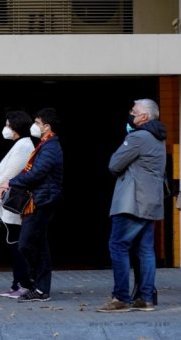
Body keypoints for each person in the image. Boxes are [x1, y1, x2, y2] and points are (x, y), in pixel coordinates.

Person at [97, 99, 166, 313]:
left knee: (118, 246)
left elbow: (114, 164)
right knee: (145, 250)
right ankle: (146, 298)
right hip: (151, 201)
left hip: (132, 202)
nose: (131, 115)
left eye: (134, 112)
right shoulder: (158, 138)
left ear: (144, 117)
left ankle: (121, 298)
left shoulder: (138, 137)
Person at [0, 107, 63, 303]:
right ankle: (40, 288)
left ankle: (37, 282)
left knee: (27, 243)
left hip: (43, 201)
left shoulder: (51, 147)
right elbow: (30, 171)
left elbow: (37, 173)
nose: (34, 126)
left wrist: (11, 182)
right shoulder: (44, 145)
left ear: (47, 127)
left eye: (37, 123)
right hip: (38, 200)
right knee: (37, 244)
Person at [0, 111, 35, 299]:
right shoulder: (20, 145)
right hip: (9, 204)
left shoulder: (23, 146)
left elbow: (10, 173)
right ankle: (17, 283)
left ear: (16, 126)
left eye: (8, 125)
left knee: (17, 245)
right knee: (14, 243)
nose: (6, 129)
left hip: (14, 205)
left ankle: (23, 284)